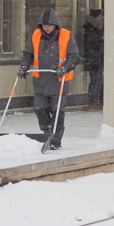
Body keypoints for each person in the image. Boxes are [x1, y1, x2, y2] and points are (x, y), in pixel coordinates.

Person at [27, 8, 78, 150]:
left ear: (55, 24)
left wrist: (64, 68)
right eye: (44, 25)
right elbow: (28, 53)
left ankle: (56, 138)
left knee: (57, 111)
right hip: (40, 81)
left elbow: (73, 56)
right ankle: (47, 131)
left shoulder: (66, 36)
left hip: (59, 81)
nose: (46, 27)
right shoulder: (35, 36)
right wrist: (24, 66)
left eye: (49, 24)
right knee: (39, 108)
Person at [80, 8, 104, 108]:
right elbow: (95, 45)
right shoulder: (94, 30)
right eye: (100, 16)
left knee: (97, 80)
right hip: (95, 59)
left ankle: (95, 100)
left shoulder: (92, 29)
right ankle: (93, 101)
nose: (102, 18)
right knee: (96, 80)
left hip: (94, 59)